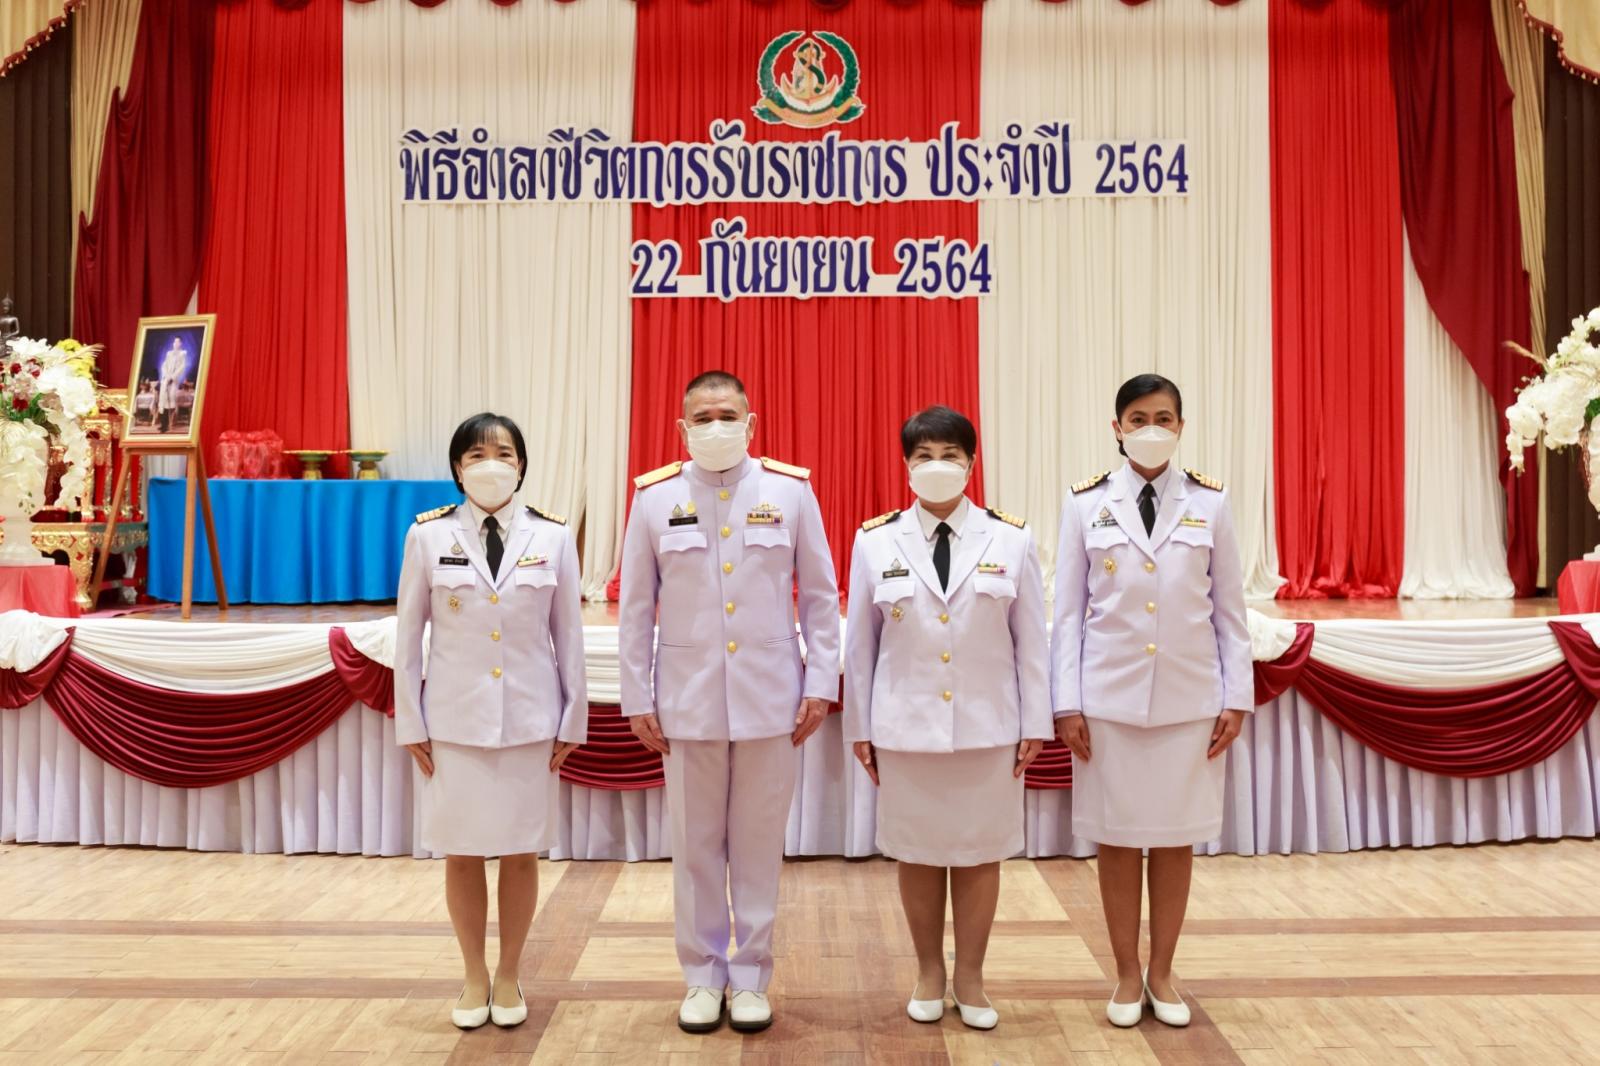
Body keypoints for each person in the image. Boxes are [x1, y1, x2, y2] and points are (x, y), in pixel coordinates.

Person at [619, 370, 841, 1034]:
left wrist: (821, 683)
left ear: (752, 422)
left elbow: (820, 596)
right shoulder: (654, 498)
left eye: (727, 415)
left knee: (758, 845)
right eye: (703, 417)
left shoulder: (790, 491)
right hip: (686, 701)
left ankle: (750, 977)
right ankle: (701, 975)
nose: (716, 426)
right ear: (681, 428)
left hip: (772, 698)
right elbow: (635, 608)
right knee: (694, 847)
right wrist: (636, 695)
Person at [1050, 374, 1251, 1029]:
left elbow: (1230, 611)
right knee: (1115, 840)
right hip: (1107, 703)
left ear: (1181, 426)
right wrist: (1066, 703)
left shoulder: (1210, 503)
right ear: (1117, 428)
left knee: (1173, 840)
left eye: (1164, 417)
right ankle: (1125, 974)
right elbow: (1068, 615)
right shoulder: (1085, 504)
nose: (1151, 428)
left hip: (1189, 703)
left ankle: (1162, 972)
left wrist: (1237, 696)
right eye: (1138, 418)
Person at [844, 405, 1050, 1030]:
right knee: (918, 853)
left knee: (981, 854)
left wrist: (1035, 723)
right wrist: (860, 729)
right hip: (905, 729)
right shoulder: (875, 541)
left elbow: (1031, 642)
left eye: (950, 456)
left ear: (971, 464)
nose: (938, 467)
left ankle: (972, 978)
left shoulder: (1011, 539)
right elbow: (860, 647)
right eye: (924, 457)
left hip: (989, 728)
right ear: (907, 466)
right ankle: (929, 971)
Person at [394, 412, 587, 1031]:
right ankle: (474, 974)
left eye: (503, 453)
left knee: (521, 851)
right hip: (455, 722)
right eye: (476, 455)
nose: (491, 465)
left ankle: (509, 973)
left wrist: (574, 718)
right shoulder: (428, 536)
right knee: (462, 851)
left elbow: (569, 635)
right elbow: (407, 638)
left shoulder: (553, 535)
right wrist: (410, 722)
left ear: (521, 465)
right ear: (458, 468)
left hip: (531, 720)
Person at [156, 338, 187, 433]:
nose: (175, 343)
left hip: (173, 381)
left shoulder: (182, 354)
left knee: (169, 403)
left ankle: (167, 425)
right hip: (166, 379)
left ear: (180, 343)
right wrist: (166, 375)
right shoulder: (169, 353)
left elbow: (181, 367)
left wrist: (172, 377)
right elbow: (164, 365)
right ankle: (163, 424)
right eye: (174, 341)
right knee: (163, 402)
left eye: (178, 341)